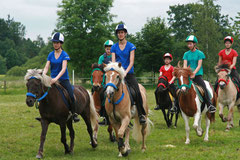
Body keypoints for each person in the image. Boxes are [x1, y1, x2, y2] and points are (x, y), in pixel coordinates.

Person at [111, 24, 146, 124]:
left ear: (125, 33)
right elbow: (113, 62)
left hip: (128, 74)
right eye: (118, 33)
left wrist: (125, 72)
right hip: (117, 74)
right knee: (107, 90)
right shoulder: (114, 47)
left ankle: (141, 114)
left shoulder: (131, 46)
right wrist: (116, 72)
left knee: (137, 91)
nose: (120, 34)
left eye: (122, 32)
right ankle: (106, 115)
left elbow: (131, 62)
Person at [43, 32, 80, 122]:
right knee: (43, 93)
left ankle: (74, 114)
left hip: (63, 80)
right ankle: (44, 114)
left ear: (61, 43)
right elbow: (47, 67)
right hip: (52, 80)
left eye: (57, 42)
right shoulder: (50, 54)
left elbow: (63, 69)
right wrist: (43, 74)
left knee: (71, 95)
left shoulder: (64, 54)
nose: (55, 44)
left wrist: (56, 78)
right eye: (54, 42)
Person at [183, 35, 216, 113]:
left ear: (194, 44)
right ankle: (176, 106)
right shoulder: (186, 54)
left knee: (204, 87)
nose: (189, 45)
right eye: (188, 44)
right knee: (180, 88)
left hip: (197, 75)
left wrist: (194, 73)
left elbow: (199, 65)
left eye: (190, 44)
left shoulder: (200, 53)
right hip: (188, 75)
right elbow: (185, 65)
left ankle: (209, 105)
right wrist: (186, 72)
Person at [97, 40, 114, 125]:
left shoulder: (114, 56)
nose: (108, 50)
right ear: (105, 49)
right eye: (107, 49)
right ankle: (104, 116)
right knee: (101, 94)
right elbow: (100, 67)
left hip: (113, 78)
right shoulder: (101, 57)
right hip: (105, 78)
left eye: (110, 49)